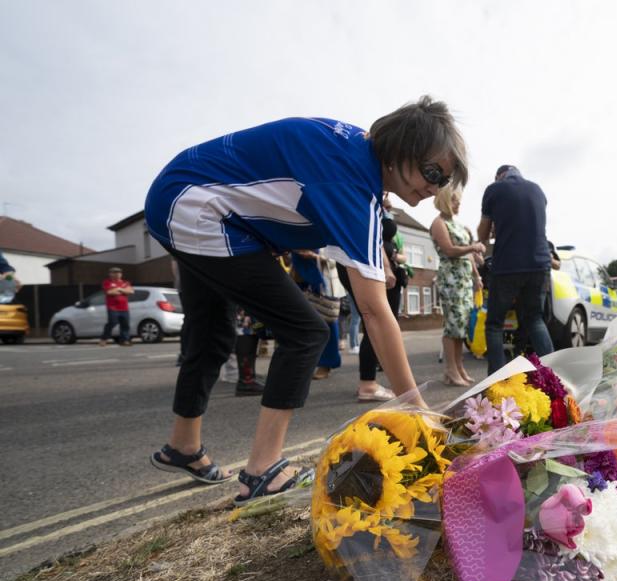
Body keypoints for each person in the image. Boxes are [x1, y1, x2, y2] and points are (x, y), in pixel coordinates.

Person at [144, 96, 467, 504]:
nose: (434, 187)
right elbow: (373, 310)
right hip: (198, 211)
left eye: (444, 180)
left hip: (179, 198)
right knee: (306, 331)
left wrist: (376, 255)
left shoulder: (354, 156)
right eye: (432, 171)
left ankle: (183, 446)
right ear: (402, 148)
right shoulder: (351, 182)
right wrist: (416, 408)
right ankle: (263, 470)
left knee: (211, 333)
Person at [477, 165, 554, 375]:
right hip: (540, 264)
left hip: (508, 265)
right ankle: (554, 375)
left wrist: (496, 228)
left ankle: (498, 380)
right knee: (535, 319)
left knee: (494, 324)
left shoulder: (494, 189)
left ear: (499, 176)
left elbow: (483, 234)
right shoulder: (537, 190)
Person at [335, 200, 403, 402]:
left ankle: (373, 383)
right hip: (369, 264)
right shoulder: (365, 194)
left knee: (375, 322)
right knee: (376, 322)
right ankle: (370, 384)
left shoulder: (375, 200)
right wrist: (387, 267)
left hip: (367, 263)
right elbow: (372, 237)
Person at [430, 186, 485, 385]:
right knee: (452, 325)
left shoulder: (459, 225)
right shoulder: (438, 223)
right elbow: (450, 250)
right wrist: (473, 246)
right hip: (450, 279)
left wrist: (476, 276)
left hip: (463, 279)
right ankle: (450, 369)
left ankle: (459, 367)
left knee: (461, 325)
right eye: (455, 201)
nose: (458, 204)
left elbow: (468, 256)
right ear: (445, 200)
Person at [291, 248, 342, 380]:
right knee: (299, 326)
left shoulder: (328, 231)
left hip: (322, 281)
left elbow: (337, 259)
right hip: (298, 275)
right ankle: (302, 364)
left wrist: (314, 256)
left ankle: (326, 364)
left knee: (327, 322)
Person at [99, 267, 134, 346]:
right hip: (112, 307)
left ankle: (124, 340)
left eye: (119, 272)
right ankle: (104, 338)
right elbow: (109, 292)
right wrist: (123, 291)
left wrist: (119, 289)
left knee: (125, 324)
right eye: (114, 272)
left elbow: (131, 291)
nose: (117, 274)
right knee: (113, 322)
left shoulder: (125, 282)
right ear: (110, 274)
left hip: (124, 308)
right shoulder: (107, 282)